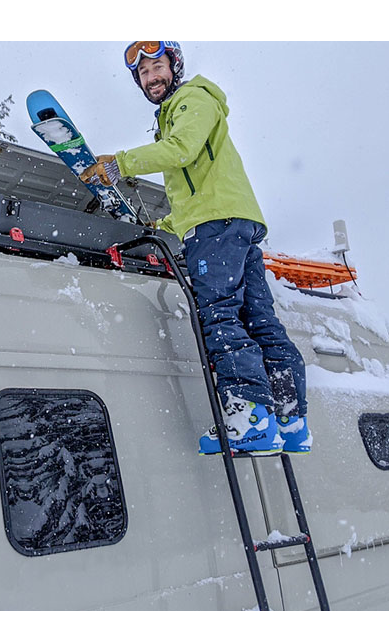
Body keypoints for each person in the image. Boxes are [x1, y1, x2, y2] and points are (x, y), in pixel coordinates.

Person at [81, 41, 311, 456]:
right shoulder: (179, 112)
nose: (152, 77)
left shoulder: (191, 99)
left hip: (216, 227)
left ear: (175, 65)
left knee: (218, 313)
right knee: (258, 319)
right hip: (231, 222)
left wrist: (119, 164)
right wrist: (161, 225)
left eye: (157, 66)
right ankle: (288, 419)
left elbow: (181, 150)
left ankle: (251, 419)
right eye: (144, 73)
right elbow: (194, 187)